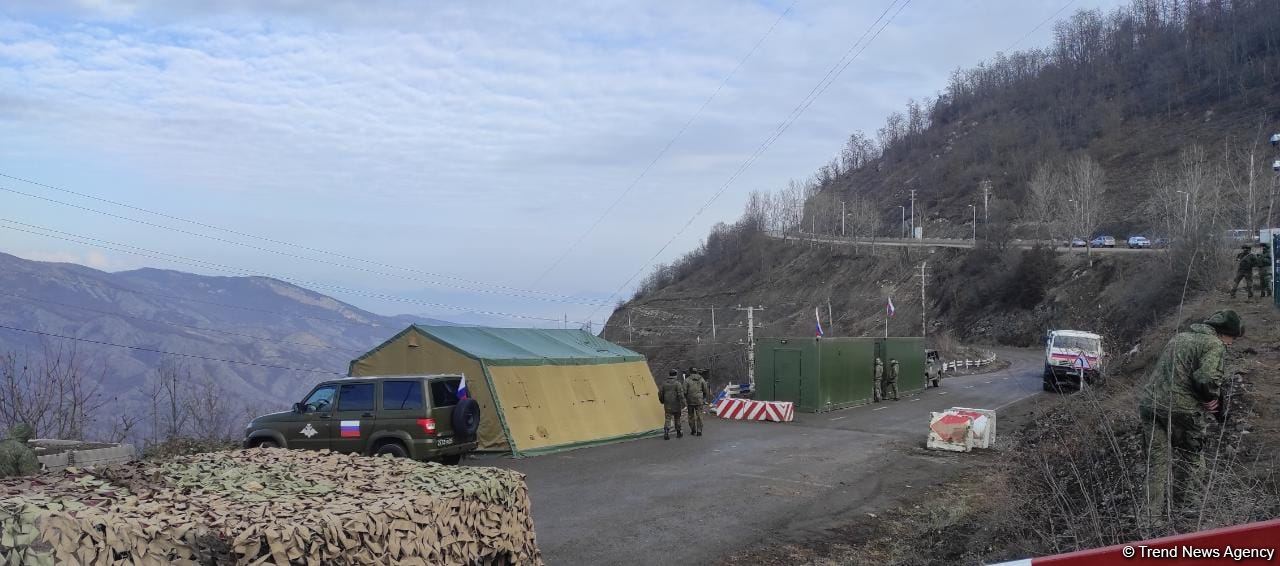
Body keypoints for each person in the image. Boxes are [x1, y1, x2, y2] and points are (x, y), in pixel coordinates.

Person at [1138, 309, 1243, 522]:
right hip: (1183, 410)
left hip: (1150, 405)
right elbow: (1205, 378)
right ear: (1223, 333)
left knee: (1156, 463)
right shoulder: (1214, 345)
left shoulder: (1180, 337)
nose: (1231, 344)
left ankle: (1149, 520)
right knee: (1192, 460)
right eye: (1232, 338)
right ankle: (1184, 512)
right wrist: (1211, 400)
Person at [658, 370, 686, 440]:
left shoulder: (664, 384)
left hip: (667, 404)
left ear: (669, 375)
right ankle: (678, 432)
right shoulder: (677, 384)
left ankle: (666, 432)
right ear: (675, 375)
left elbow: (660, 393)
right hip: (676, 404)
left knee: (668, 418)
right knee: (677, 418)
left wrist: (662, 401)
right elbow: (680, 395)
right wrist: (683, 403)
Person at [684, 370, 711, 437]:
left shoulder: (687, 380)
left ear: (691, 372)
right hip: (699, 400)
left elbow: (684, 391)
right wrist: (703, 397)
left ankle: (693, 430)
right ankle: (699, 431)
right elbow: (705, 389)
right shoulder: (701, 379)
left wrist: (686, 398)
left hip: (690, 400)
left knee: (691, 416)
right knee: (699, 415)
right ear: (697, 372)